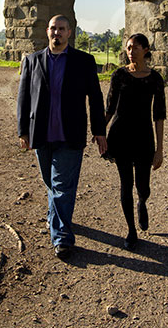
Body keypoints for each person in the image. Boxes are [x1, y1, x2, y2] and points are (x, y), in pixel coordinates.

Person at [17, 15, 107, 260]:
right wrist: (22, 131)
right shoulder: (32, 61)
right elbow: (23, 97)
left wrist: (99, 131)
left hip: (70, 135)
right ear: (47, 31)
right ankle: (55, 217)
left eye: (62, 29)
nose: (57, 33)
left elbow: (96, 98)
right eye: (53, 29)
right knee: (51, 182)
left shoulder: (84, 61)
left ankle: (62, 238)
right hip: (41, 135)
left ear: (70, 32)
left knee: (62, 188)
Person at [103, 33, 166, 249]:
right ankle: (131, 230)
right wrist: (100, 133)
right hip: (120, 136)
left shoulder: (155, 78)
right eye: (129, 48)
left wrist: (160, 150)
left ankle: (142, 201)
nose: (131, 52)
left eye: (135, 48)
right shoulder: (119, 75)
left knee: (143, 185)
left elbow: (159, 114)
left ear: (146, 50)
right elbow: (110, 107)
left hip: (143, 137)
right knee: (125, 184)